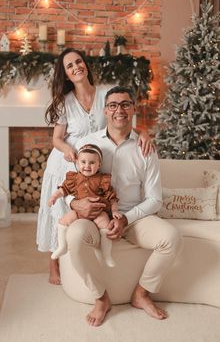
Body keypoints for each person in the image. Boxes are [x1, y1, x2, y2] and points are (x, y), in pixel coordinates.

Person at [64, 86, 182, 326]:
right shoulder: (88, 143)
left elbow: (155, 199)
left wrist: (126, 218)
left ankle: (141, 293)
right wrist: (74, 202)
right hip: (94, 216)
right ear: (105, 110)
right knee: (74, 238)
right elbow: (68, 181)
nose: (119, 109)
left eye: (125, 104)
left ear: (133, 109)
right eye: (113, 105)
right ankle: (101, 298)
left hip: (133, 217)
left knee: (171, 237)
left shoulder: (145, 148)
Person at [36, 48, 154, 285]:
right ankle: (55, 263)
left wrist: (144, 132)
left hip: (95, 162)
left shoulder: (104, 94)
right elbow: (57, 138)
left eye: (78, 62)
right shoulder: (64, 102)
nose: (76, 67)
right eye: (69, 66)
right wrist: (68, 150)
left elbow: (121, 117)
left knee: (93, 208)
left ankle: (90, 256)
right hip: (66, 163)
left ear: (85, 65)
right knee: (61, 213)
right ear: (66, 74)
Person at [48, 143, 122, 267]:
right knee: (63, 221)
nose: (87, 166)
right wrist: (54, 197)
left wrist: (114, 211)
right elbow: (63, 190)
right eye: (83, 162)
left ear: (99, 164)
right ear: (77, 163)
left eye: (92, 163)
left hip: (99, 211)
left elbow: (112, 198)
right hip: (79, 211)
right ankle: (62, 246)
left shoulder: (102, 179)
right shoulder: (74, 178)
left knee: (105, 225)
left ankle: (106, 254)